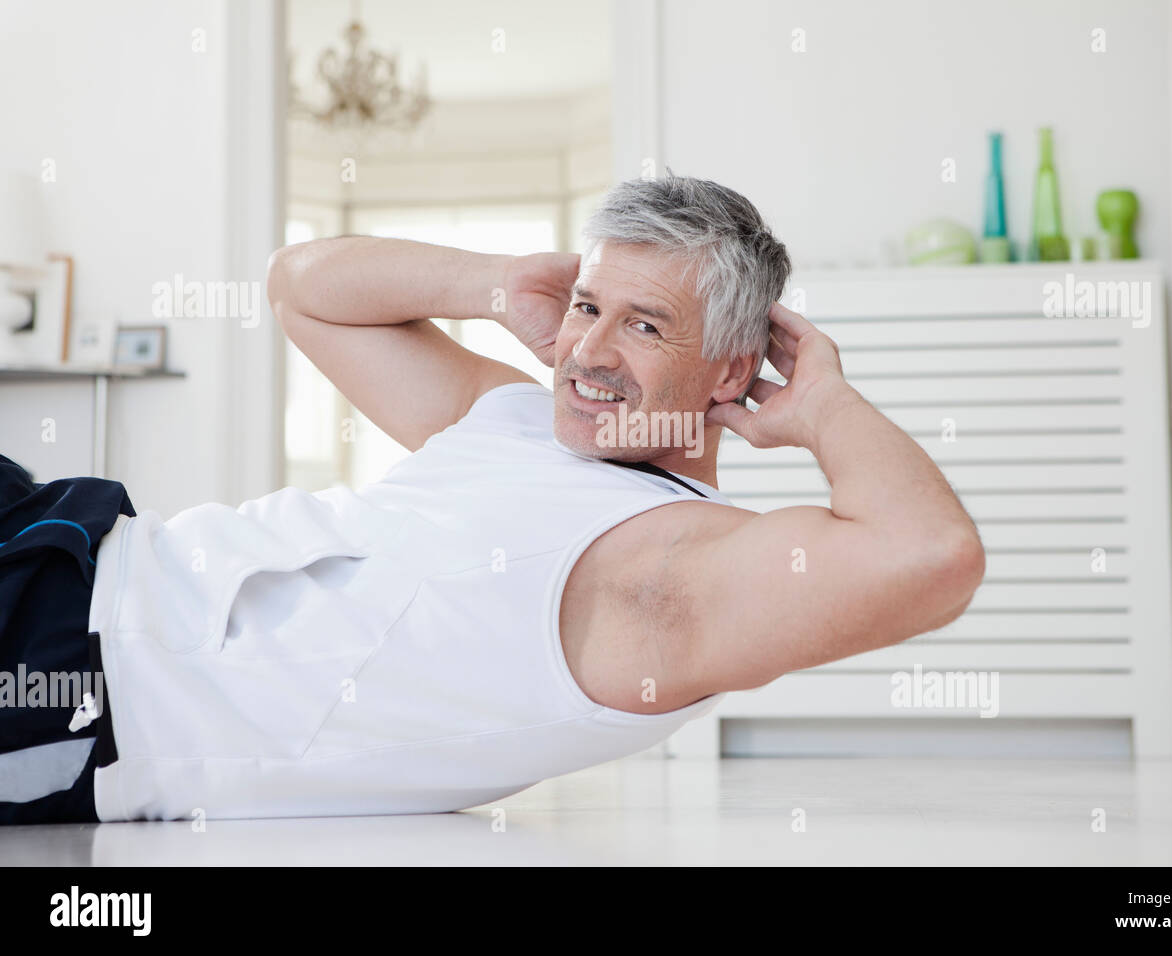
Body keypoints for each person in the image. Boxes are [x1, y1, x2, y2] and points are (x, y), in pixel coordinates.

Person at [0, 173, 984, 824]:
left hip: (67, 670)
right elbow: (302, 285)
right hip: (72, 531)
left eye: (644, 324)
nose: (588, 352)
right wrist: (499, 282)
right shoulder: (511, 416)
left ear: (731, 372)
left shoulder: (671, 570)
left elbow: (927, 556)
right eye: (587, 307)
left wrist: (824, 406)